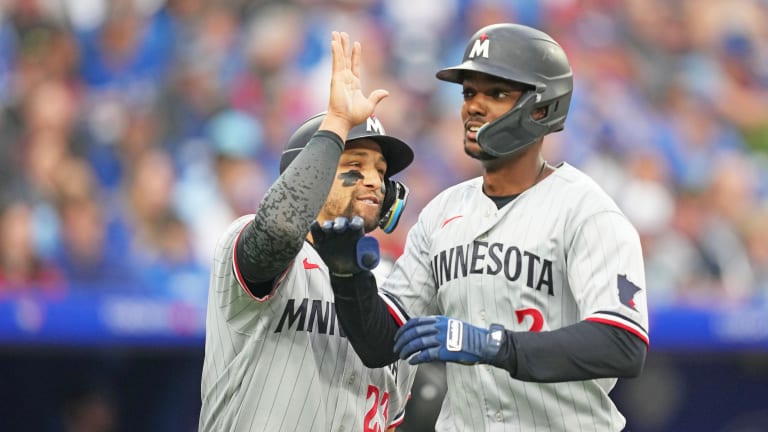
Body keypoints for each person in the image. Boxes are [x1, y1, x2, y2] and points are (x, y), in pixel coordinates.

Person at [311, 23, 650, 431]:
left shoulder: (586, 212)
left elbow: (622, 343)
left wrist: (492, 344)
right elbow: (383, 343)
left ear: (542, 108)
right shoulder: (442, 213)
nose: (474, 106)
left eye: (497, 93)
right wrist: (349, 277)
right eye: (469, 92)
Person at [198, 32, 417, 431]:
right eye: (354, 165)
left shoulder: (398, 286)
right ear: (310, 174)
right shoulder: (251, 239)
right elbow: (280, 228)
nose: (374, 182)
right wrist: (336, 123)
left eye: (381, 172)